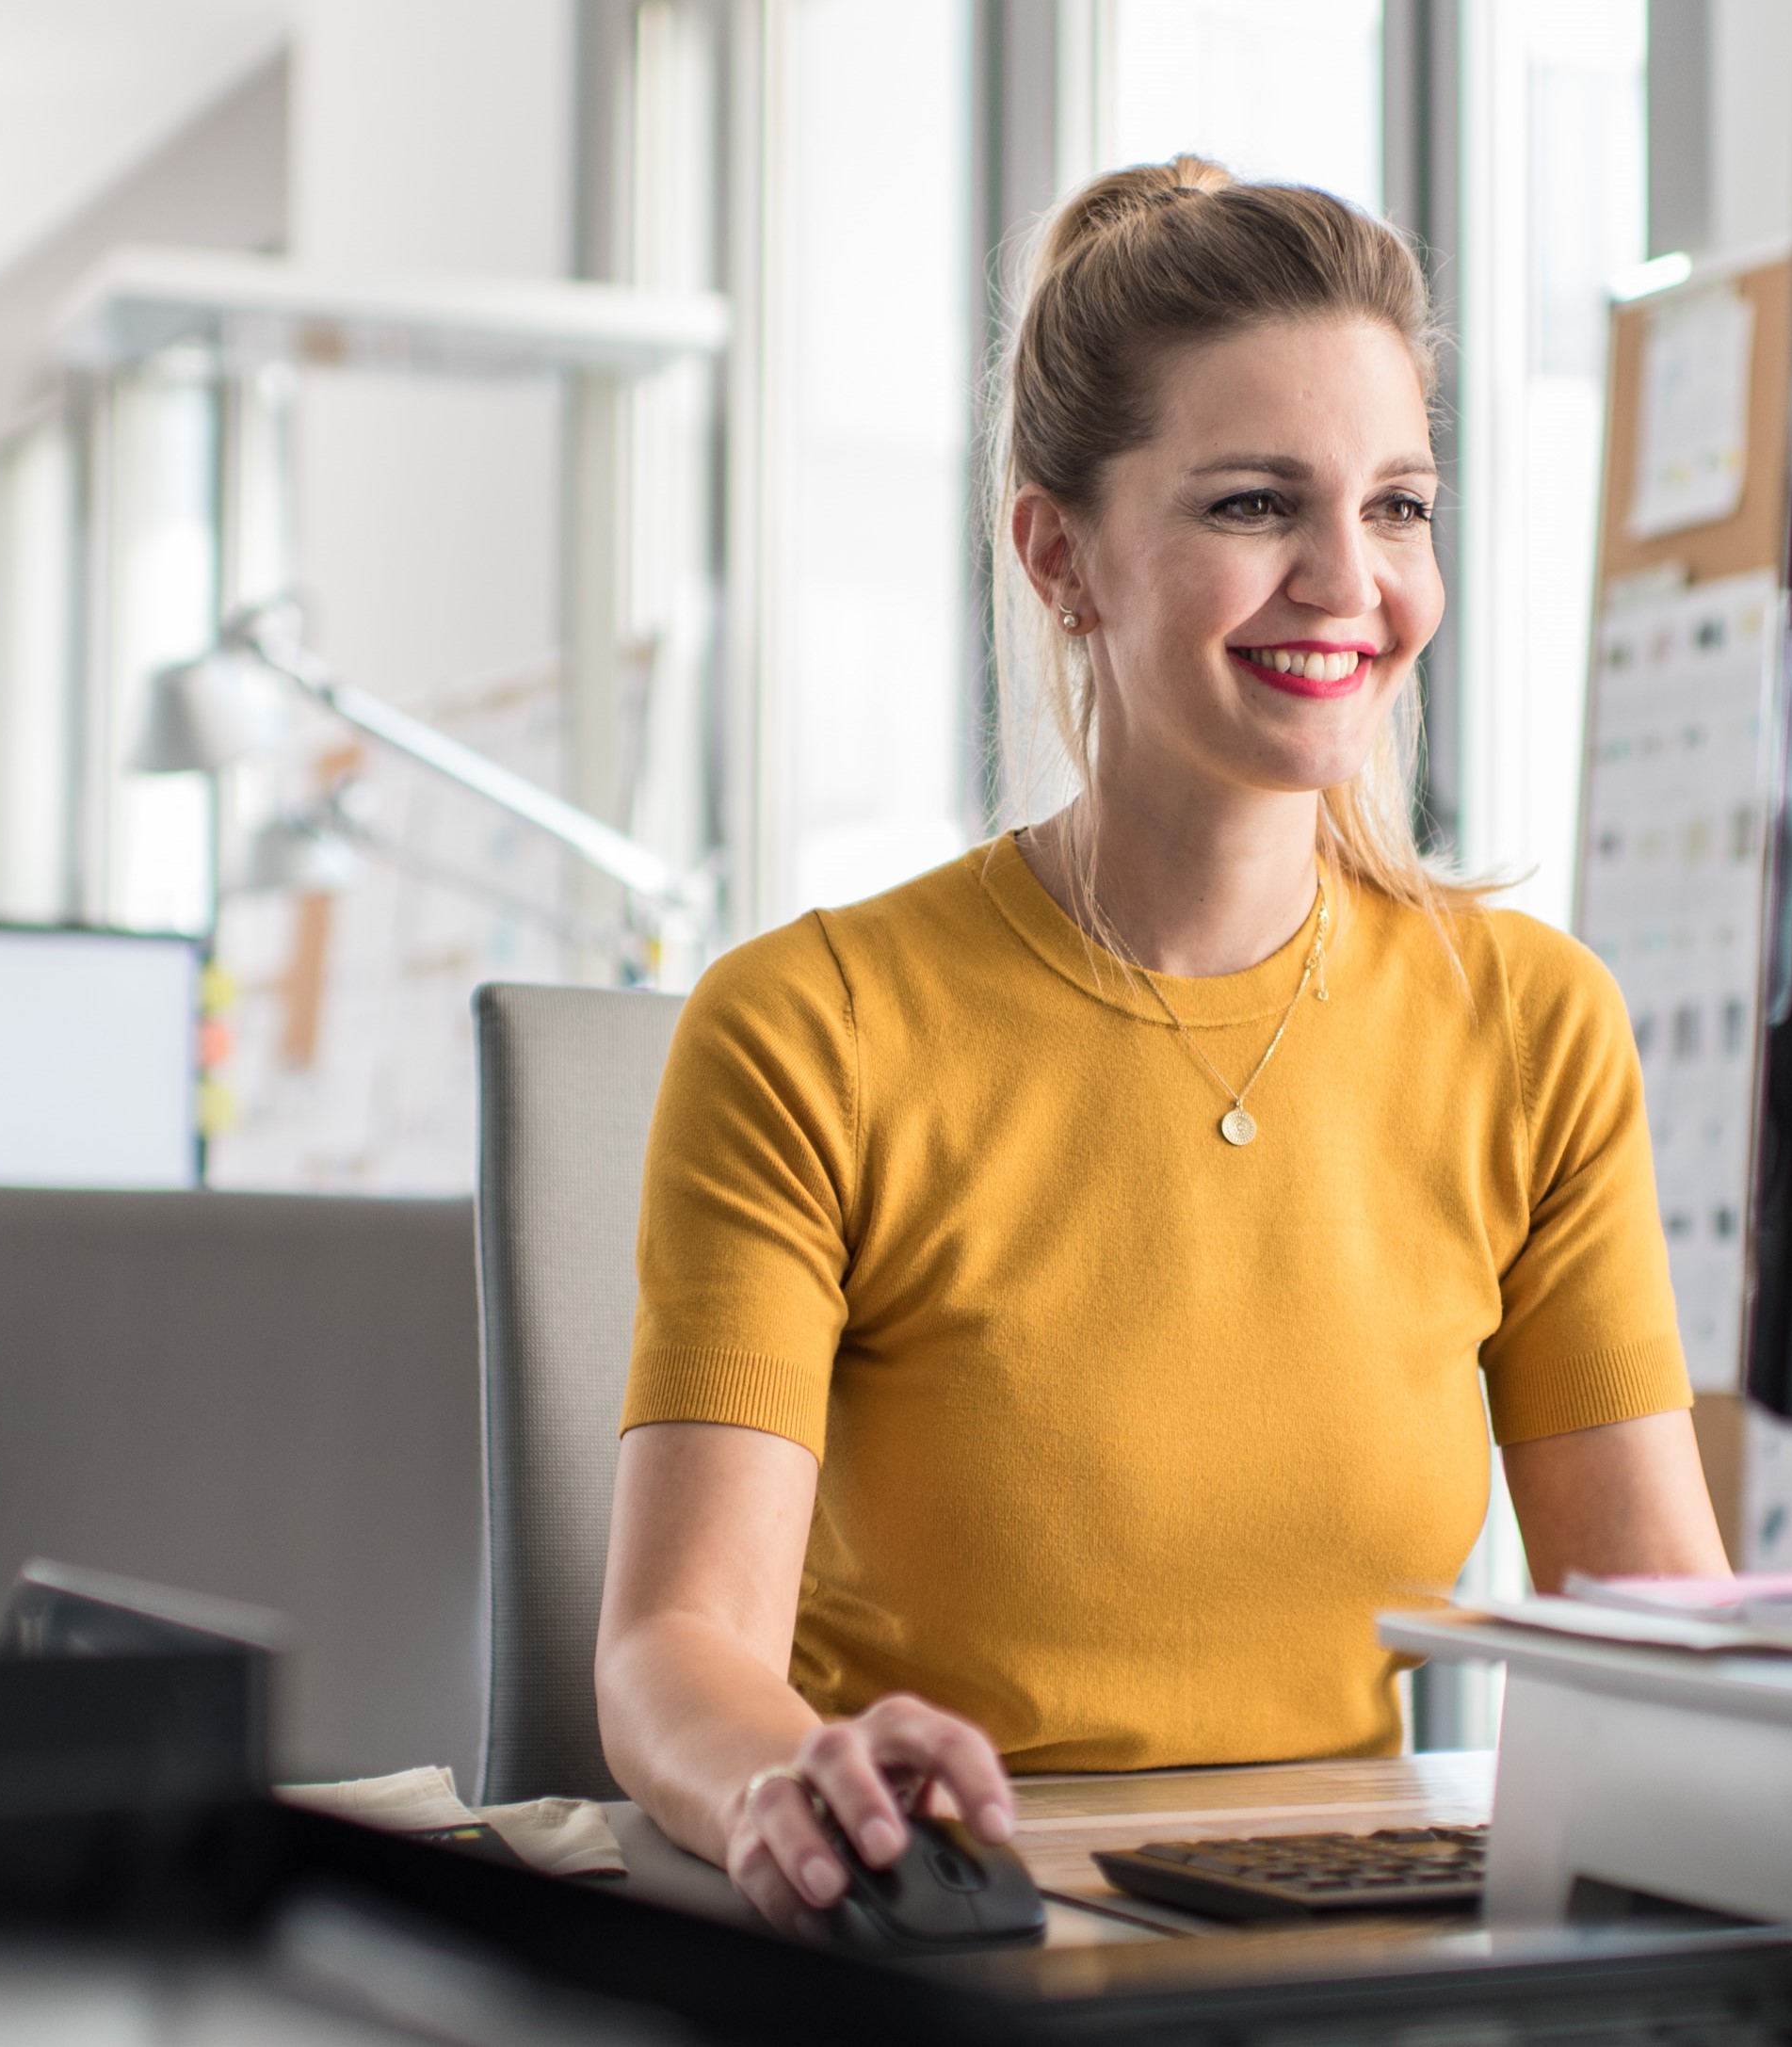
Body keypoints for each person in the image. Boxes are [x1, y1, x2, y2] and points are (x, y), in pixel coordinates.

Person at [594, 154, 1730, 1936]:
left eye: (1401, 504)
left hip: (1347, 1932)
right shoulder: (811, 1025)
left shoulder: (1530, 1025)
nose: (1349, 581)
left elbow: (1660, 1621)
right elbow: (676, 1641)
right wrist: (783, 1781)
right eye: (1258, 503)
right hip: (951, 1922)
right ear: (1061, 556)